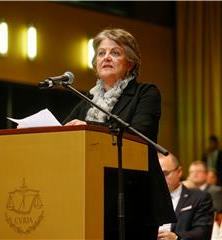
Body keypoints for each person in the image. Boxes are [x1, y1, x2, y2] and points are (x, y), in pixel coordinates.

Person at [63, 28, 176, 239]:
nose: (106, 57)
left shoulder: (146, 93)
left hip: (133, 201)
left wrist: (87, 126)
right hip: (91, 200)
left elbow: (140, 134)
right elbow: (63, 135)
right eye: (101, 53)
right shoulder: (86, 101)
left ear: (130, 63)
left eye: (115, 53)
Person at [157, 152, 214, 240]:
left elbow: (203, 232)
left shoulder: (200, 198)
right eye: (157, 174)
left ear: (179, 172)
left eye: (165, 173)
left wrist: (176, 237)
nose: (160, 178)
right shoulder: (148, 199)